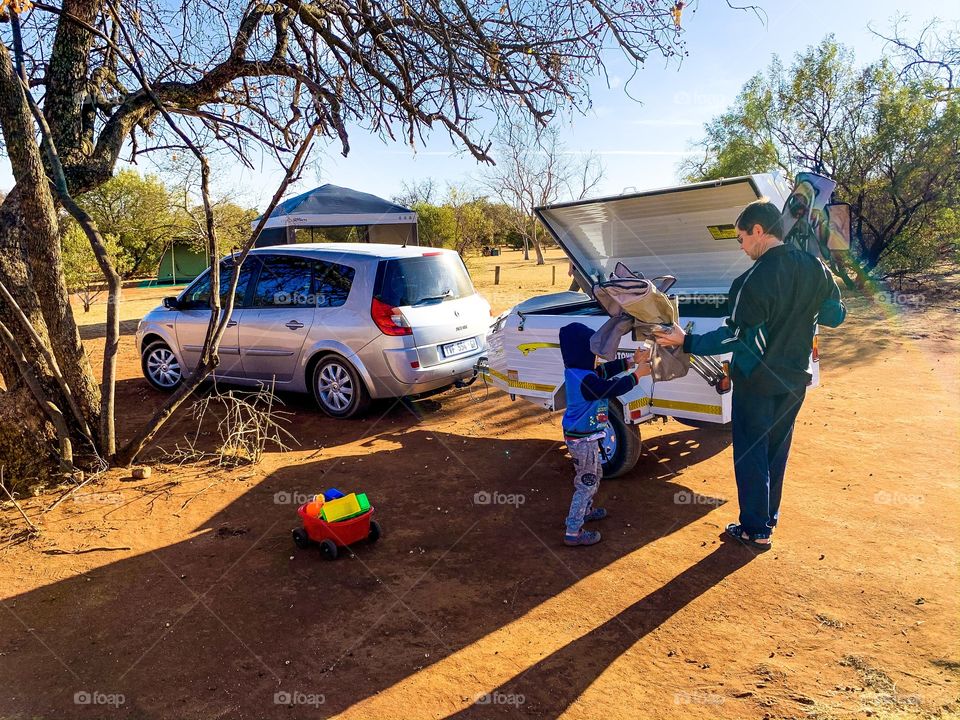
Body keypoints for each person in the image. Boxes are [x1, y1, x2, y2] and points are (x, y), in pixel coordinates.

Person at [654, 199, 846, 552]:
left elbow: (735, 336)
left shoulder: (750, 280)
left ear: (759, 231)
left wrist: (687, 340)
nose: (741, 247)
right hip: (795, 378)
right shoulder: (815, 268)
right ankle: (767, 519)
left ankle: (755, 529)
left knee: (751, 453)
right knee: (776, 450)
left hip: (756, 380)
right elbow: (835, 316)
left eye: (742, 238)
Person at [559, 322, 651, 546]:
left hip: (586, 437)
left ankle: (585, 510)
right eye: (592, 351)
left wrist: (631, 361)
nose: (596, 356)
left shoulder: (581, 372)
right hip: (583, 440)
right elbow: (611, 388)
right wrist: (637, 375)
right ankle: (573, 530)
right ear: (582, 351)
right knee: (587, 482)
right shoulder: (585, 380)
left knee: (593, 474)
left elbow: (606, 371)